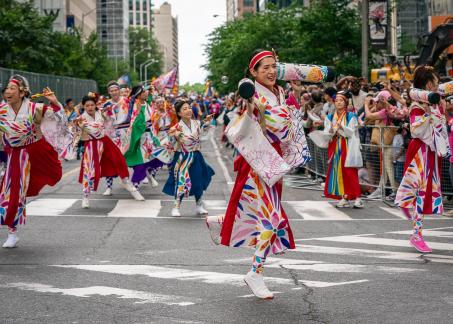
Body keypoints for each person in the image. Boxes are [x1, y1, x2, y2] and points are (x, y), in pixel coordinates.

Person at [206, 50, 310, 300]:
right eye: (265, 67)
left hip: (273, 161)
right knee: (272, 219)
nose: (272, 71)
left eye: (274, 66)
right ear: (253, 72)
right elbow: (274, 122)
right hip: (259, 161)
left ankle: (222, 221)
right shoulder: (250, 91)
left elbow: (292, 121)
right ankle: (255, 273)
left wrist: (294, 94)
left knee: (264, 214)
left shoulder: (280, 92)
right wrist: (253, 99)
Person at [0, 75, 67, 248]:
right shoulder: (1, 110)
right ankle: (12, 232)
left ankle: (12, 231)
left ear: (22, 92)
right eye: (7, 88)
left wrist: (55, 103)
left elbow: (58, 121)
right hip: (14, 156)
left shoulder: (35, 108)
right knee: (12, 193)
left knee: (52, 175)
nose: (8, 91)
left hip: (34, 151)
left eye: (12, 88)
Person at [395, 66, 449, 253]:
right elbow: (416, 130)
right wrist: (430, 114)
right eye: (434, 82)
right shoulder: (417, 106)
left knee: (425, 191)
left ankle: (404, 202)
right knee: (421, 191)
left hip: (432, 151)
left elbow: (441, 126)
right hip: (420, 151)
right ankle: (416, 234)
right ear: (427, 84)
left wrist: (437, 110)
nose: (437, 85)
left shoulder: (436, 103)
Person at [76, 93, 145, 209]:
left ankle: (127, 183)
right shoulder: (81, 119)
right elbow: (86, 132)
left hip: (105, 141)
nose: (90, 108)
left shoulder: (101, 112)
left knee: (119, 160)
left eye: (92, 105)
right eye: (87, 105)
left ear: (95, 105)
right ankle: (85, 197)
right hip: (92, 144)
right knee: (89, 171)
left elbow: (116, 116)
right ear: (83, 106)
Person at [163, 100, 215, 217]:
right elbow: (170, 142)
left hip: (196, 155)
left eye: (189, 107)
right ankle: (176, 207)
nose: (188, 110)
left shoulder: (196, 123)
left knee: (198, 180)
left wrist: (206, 121)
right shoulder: (175, 128)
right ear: (179, 113)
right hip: (182, 156)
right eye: (184, 109)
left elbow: (202, 130)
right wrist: (175, 135)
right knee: (181, 181)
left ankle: (199, 205)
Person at [324, 91, 364, 208]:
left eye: (341, 100)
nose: (339, 103)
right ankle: (345, 196)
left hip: (347, 145)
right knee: (338, 171)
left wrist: (341, 127)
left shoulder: (351, 116)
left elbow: (350, 132)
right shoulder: (330, 117)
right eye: (336, 101)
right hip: (336, 145)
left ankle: (358, 197)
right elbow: (327, 132)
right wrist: (330, 131)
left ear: (346, 103)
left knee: (350, 171)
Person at [102, 81, 131, 196]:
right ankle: (109, 187)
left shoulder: (126, 101)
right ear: (109, 92)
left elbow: (133, 115)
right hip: (112, 134)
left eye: (116, 90)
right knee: (111, 160)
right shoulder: (106, 104)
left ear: (119, 90)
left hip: (125, 133)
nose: (114, 92)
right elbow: (104, 120)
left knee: (128, 157)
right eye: (111, 90)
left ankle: (138, 177)